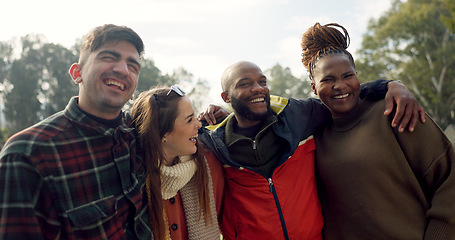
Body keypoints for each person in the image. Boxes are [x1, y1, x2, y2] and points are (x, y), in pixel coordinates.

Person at [198, 60, 425, 239]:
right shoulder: (214, 144)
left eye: (262, 81)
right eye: (244, 83)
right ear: (226, 97)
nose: (258, 89)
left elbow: (340, 94)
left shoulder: (298, 116)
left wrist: (391, 85)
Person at [301, 22, 455, 239]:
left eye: (347, 76)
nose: (340, 86)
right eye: (328, 79)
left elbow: (449, 179)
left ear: (357, 76)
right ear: (314, 87)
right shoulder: (312, 134)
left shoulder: (394, 110)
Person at [0, 24, 152, 239]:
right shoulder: (27, 155)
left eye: (133, 66)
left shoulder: (141, 134)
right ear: (76, 73)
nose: (122, 70)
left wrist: (216, 116)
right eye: (109, 57)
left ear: (134, 87)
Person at [130, 86, 224, 240]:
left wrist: (230, 121)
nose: (198, 125)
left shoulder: (209, 165)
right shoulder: (133, 179)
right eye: (189, 120)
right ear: (163, 133)